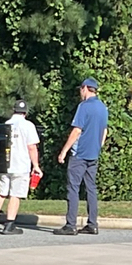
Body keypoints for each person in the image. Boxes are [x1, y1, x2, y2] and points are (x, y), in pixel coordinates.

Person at [54, 78, 108, 236]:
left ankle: (71, 225)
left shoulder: (84, 107)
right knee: (91, 188)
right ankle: (92, 223)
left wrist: (64, 151)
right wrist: (98, 147)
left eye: (81, 89)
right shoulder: (102, 107)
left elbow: (77, 130)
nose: (80, 92)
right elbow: (104, 131)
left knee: (73, 188)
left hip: (80, 154)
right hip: (93, 154)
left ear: (85, 88)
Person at [0, 99, 40, 234]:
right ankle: (9, 224)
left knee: (1, 193)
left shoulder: (6, 125)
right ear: (25, 113)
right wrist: (36, 165)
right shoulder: (28, 125)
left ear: (14, 111)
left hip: (5, 164)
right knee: (15, 195)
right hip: (21, 165)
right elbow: (32, 147)